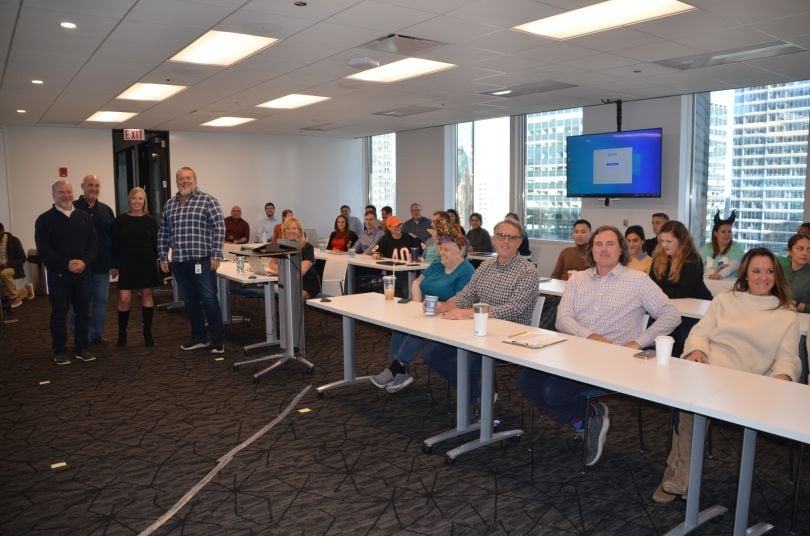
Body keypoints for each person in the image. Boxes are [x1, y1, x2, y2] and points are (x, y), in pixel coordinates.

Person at [518, 226, 681, 466]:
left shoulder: (637, 280)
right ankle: (586, 420)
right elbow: (562, 319)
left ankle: (589, 416)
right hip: (574, 352)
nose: (604, 250)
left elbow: (671, 315)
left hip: (612, 359)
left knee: (553, 391)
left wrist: (638, 342)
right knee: (526, 380)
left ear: (621, 250)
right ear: (591, 249)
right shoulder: (578, 279)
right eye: (598, 244)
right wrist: (589, 335)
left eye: (610, 244)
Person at [652, 248, 801, 503]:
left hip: (748, 383)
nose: (763, 277)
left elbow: (788, 358)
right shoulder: (725, 300)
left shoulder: (786, 314)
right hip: (710, 372)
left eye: (768, 271)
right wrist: (697, 351)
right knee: (688, 403)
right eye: (756, 271)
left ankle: (678, 474)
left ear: (777, 276)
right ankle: (681, 474)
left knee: (690, 406)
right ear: (745, 274)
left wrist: (784, 377)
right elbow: (700, 333)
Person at [425, 218, 540, 404]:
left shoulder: (528, 271)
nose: (506, 241)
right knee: (432, 352)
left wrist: (469, 313)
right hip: (478, 329)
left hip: (510, 334)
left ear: (520, 242)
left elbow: (515, 308)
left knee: (470, 358)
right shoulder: (486, 266)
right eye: (501, 236)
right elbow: (467, 295)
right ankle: (479, 394)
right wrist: (444, 306)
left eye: (512, 237)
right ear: (494, 238)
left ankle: (479, 401)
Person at [370, 228, 475, 393]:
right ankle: (400, 370)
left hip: (451, 318)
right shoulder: (437, 265)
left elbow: (462, 300)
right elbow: (417, 283)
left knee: (418, 328)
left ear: (460, 253)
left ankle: (397, 367)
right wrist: (417, 304)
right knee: (401, 325)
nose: (441, 253)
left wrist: (441, 307)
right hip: (429, 311)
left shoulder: (467, 271)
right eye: (441, 249)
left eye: (446, 250)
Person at [158, 166, 226, 354]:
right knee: (190, 301)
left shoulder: (208, 200)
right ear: (176, 181)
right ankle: (199, 337)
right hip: (179, 261)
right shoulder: (169, 204)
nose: (184, 181)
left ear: (195, 180)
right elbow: (163, 232)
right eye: (181, 178)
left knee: (209, 299)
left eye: (188, 178)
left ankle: (218, 340)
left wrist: (215, 255)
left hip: (202, 260)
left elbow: (219, 228)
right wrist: (163, 256)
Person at [35, 180, 99, 365]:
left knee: (83, 313)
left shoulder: (84, 217)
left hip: (82, 274)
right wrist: (66, 264)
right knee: (59, 314)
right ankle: (60, 350)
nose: (66, 195)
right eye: (61, 192)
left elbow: (94, 245)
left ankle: (81, 348)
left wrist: (84, 262)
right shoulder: (44, 220)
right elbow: (44, 250)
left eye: (69, 192)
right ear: (53, 195)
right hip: (59, 276)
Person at [650, 220, 712, 357]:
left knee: (680, 338)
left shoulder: (692, 259)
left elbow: (682, 291)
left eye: (669, 241)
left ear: (681, 241)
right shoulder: (659, 257)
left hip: (694, 312)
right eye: (662, 241)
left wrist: (658, 292)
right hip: (670, 308)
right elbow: (651, 284)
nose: (664, 245)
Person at [111, 187, 160, 347]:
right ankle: (122, 333)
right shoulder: (121, 220)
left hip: (146, 263)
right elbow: (115, 244)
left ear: (144, 201)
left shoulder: (151, 220)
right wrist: (114, 265)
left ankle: (147, 333)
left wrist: (158, 261)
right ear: (129, 200)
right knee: (124, 299)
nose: (137, 201)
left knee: (146, 296)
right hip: (126, 263)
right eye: (134, 198)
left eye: (140, 198)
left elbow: (156, 244)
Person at [73, 174, 115, 345]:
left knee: (100, 302)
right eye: (90, 185)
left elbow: (113, 238)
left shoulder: (105, 210)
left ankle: (96, 335)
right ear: (82, 186)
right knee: (79, 302)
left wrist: (115, 263)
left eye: (96, 185)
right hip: (80, 266)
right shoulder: (73, 208)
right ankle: (80, 336)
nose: (93, 189)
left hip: (101, 266)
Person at [269, 216, 320, 299]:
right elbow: (272, 263)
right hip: (287, 280)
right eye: (287, 228)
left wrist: (282, 269)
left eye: (294, 228)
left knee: (290, 296)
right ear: (284, 231)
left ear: (299, 231)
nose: (290, 231)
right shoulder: (281, 246)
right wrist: (277, 267)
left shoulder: (307, 247)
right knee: (273, 290)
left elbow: (302, 270)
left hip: (306, 282)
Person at [371, 215, 422, 297]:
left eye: (399, 225)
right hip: (393, 273)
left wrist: (419, 257)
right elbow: (375, 250)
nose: (398, 227)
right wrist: (376, 254)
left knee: (406, 290)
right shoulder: (386, 239)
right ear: (389, 227)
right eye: (395, 226)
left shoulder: (409, 237)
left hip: (408, 272)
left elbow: (423, 248)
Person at [700, 210, 743, 280]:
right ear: (715, 233)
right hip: (708, 286)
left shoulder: (737, 247)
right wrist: (715, 271)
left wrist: (720, 274)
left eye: (729, 231)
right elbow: (701, 268)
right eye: (723, 232)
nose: (727, 234)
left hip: (729, 287)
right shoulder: (707, 248)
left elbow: (733, 266)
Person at [0, 221, 32, 308]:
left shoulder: (14, 241)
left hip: (13, 267)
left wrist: (7, 264)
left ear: (2, 231)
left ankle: (16, 298)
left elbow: (22, 258)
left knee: (4, 273)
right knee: (4, 296)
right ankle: (26, 291)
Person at [782, 233, 810, 313]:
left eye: (809, 250)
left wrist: (797, 305)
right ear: (790, 251)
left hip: (804, 321)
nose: (805, 253)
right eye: (800, 249)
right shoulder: (780, 271)